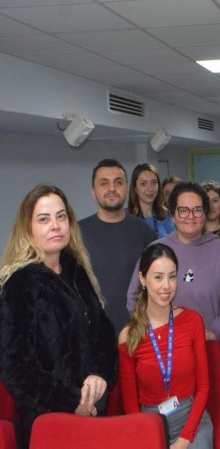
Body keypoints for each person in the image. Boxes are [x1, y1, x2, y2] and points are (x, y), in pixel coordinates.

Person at [0, 184, 117, 449]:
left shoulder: (77, 271)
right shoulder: (19, 284)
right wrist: (74, 402)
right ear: (28, 228)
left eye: (61, 216)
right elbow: (16, 369)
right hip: (48, 424)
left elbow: (104, 331)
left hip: (92, 415)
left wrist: (99, 374)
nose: (55, 225)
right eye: (44, 219)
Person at [119, 244, 212, 449]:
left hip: (192, 423)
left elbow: (204, 387)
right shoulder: (128, 336)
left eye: (172, 276)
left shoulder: (193, 321)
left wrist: (184, 439)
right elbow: (130, 404)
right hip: (150, 425)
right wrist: (145, 436)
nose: (166, 286)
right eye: (158, 277)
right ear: (143, 279)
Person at [128, 182, 220, 341]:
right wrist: (152, 330)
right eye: (183, 210)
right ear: (173, 215)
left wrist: (214, 332)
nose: (190, 216)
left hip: (208, 344)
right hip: (163, 345)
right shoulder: (156, 249)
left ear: (205, 213)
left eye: (197, 210)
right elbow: (134, 296)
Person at [79, 159, 156, 332]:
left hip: (137, 331)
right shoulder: (77, 234)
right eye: (104, 183)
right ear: (93, 191)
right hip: (91, 333)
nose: (112, 188)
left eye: (118, 182)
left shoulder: (144, 232)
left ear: (127, 189)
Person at [128, 163, 175, 238]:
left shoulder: (165, 214)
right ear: (135, 188)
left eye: (154, 183)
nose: (150, 189)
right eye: (143, 184)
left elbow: (174, 242)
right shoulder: (125, 216)